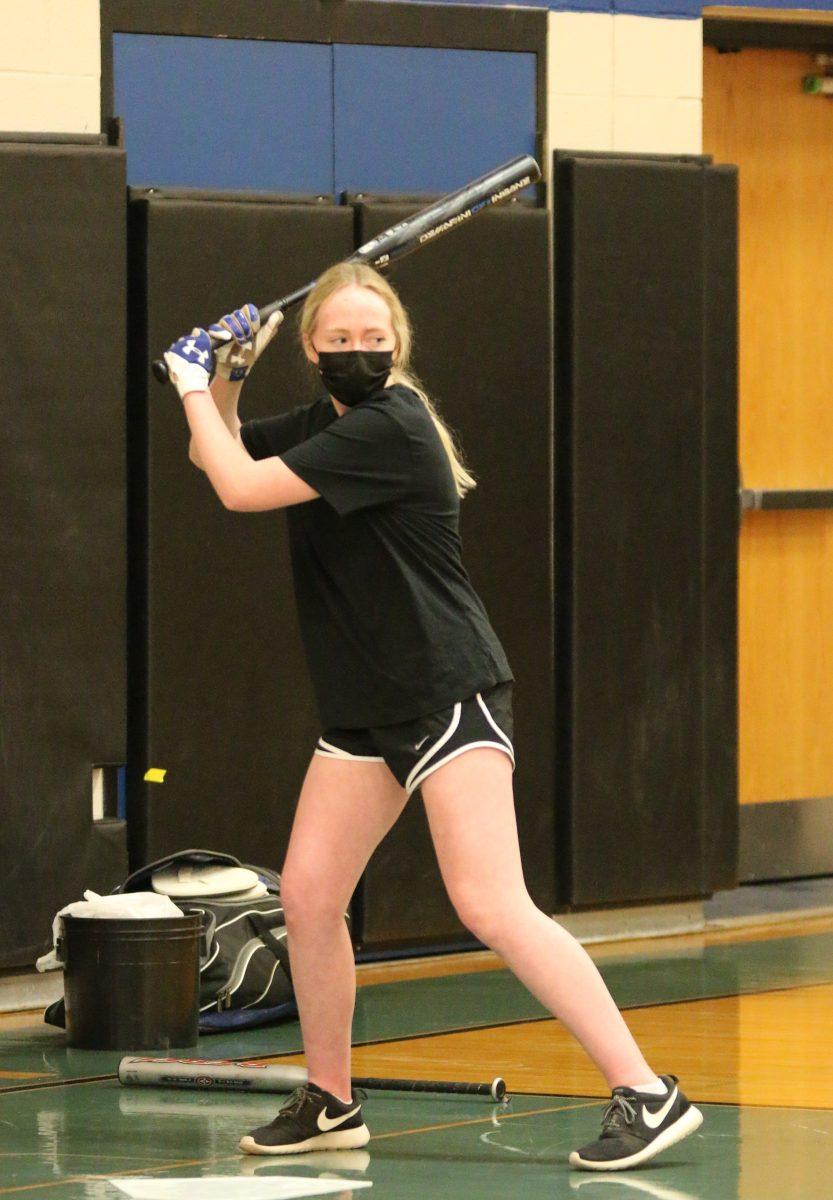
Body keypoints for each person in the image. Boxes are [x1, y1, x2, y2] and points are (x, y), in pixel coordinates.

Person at [163, 263, 703, 1172]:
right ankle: (331, 1101)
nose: (358, 353)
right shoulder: (320, 426)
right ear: (311, 349)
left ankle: (646, 1092)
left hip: (444, 689)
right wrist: (227, 374)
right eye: (339, 340)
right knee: (308, 896)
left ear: (397, 348)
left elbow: (238, 490)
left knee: (491, 901)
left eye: (375, 340)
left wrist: (186, 380)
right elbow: (214, 451)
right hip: (366, 708)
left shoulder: (391, 424)